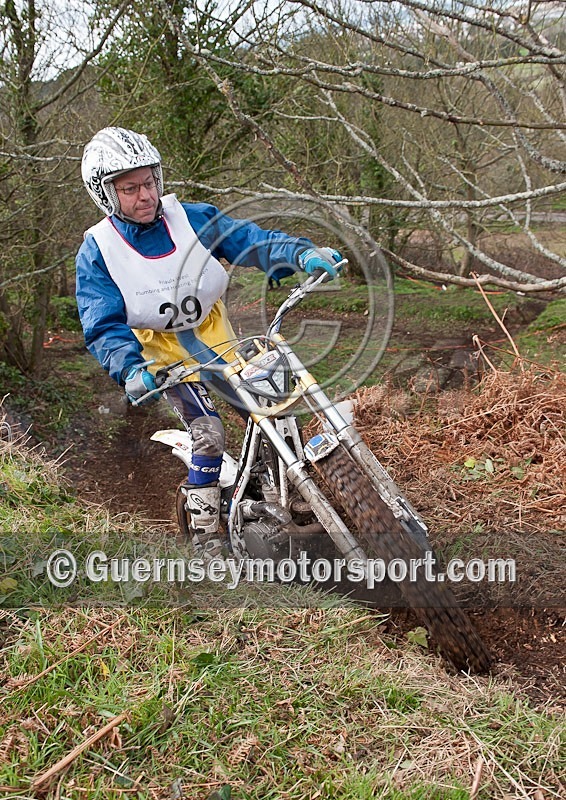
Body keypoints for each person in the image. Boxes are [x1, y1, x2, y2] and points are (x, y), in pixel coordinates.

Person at [76, 127, 342, 561]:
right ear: (105, 194)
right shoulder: (97, 250)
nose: (145, 196)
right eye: (129, 189)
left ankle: (289, 495)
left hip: (217, 341)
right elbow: (101, 322)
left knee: (277, 413)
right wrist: (129, 369)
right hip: (159, 358)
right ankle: (205, 541)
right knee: (209, 433)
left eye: (149, 182)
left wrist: (297, 253)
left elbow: (247, 239)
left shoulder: (191, 218)